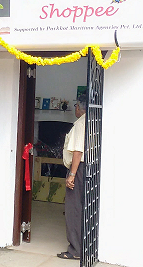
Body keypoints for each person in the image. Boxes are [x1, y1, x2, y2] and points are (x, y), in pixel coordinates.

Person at [57, 94, 87, 260]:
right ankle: (85, 246)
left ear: (78, 107)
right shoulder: (91, 121)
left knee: (74, 209)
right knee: (83, 207)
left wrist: (72, 175)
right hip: (86, 169)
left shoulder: (80, 124)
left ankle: (76, 250)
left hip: (78, 169)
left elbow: (77, 151)